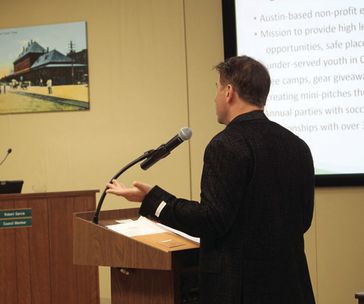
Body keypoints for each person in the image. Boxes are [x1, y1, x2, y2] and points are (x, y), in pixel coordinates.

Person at [106, 56, 315, 304]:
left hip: (241, 290)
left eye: (216, 88)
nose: (214, 97)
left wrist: (155, 200)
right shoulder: (297, 146)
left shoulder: (226, 144)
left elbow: (211, 220)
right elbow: (303, 220)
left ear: (229, 92)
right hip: (292, 286)